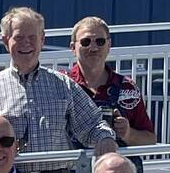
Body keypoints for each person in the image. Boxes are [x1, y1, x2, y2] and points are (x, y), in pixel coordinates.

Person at [0, 7, 116, 173]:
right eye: (19, 37)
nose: (26, 43)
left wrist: (105, 138)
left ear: (42, 39)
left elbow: (92, 124)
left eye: (32, 37)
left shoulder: (63, 85)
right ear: (5, 41)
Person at [68, 16, 159, 147]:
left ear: (109, 45)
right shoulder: (61, 84)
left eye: (100, 42)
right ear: (73, 48)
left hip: (116, 165)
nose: (93, 48)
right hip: (73, 165)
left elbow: (150, 139)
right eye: (85, 42)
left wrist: (128, 134)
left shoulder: (127, 88)